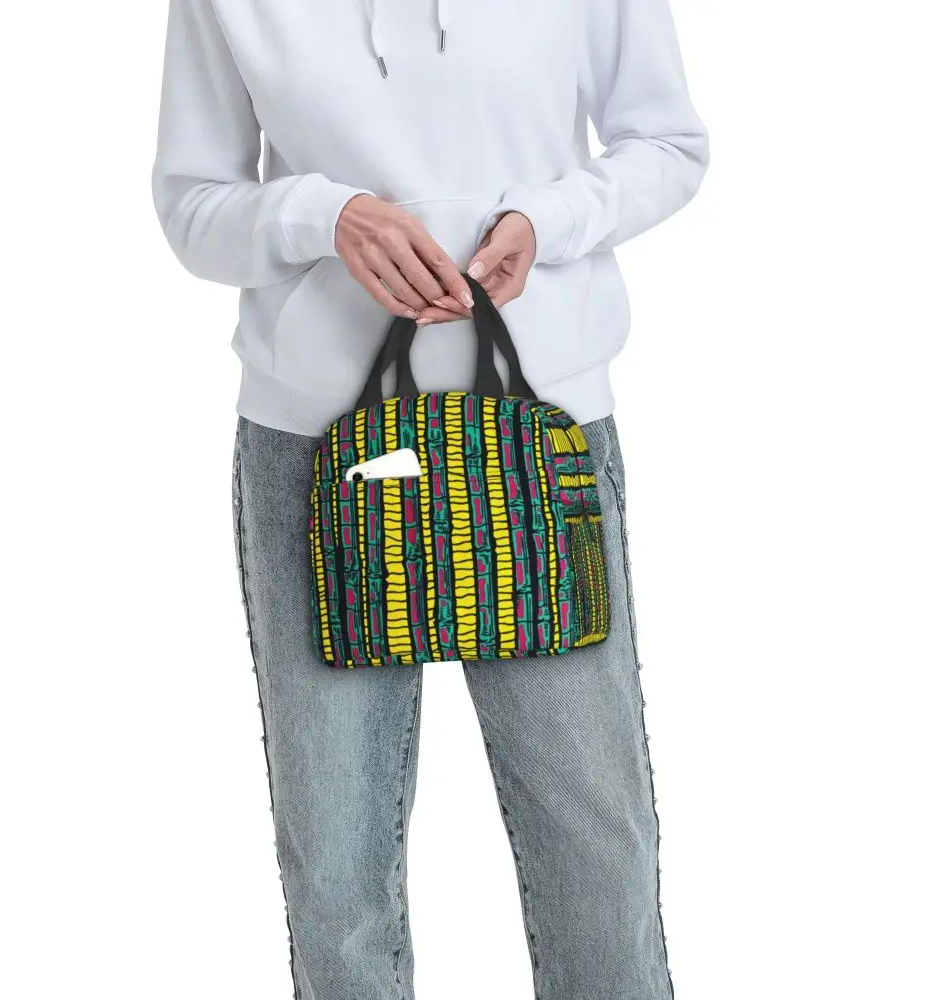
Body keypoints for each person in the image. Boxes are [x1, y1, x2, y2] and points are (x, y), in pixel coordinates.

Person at [151, 0, 708, 996]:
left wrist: (547, 220)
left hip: (538, 440)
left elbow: (667, 144)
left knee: (598, 854)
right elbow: (193, 205)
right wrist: (322, 216)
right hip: (318, 454)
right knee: (336, 872)